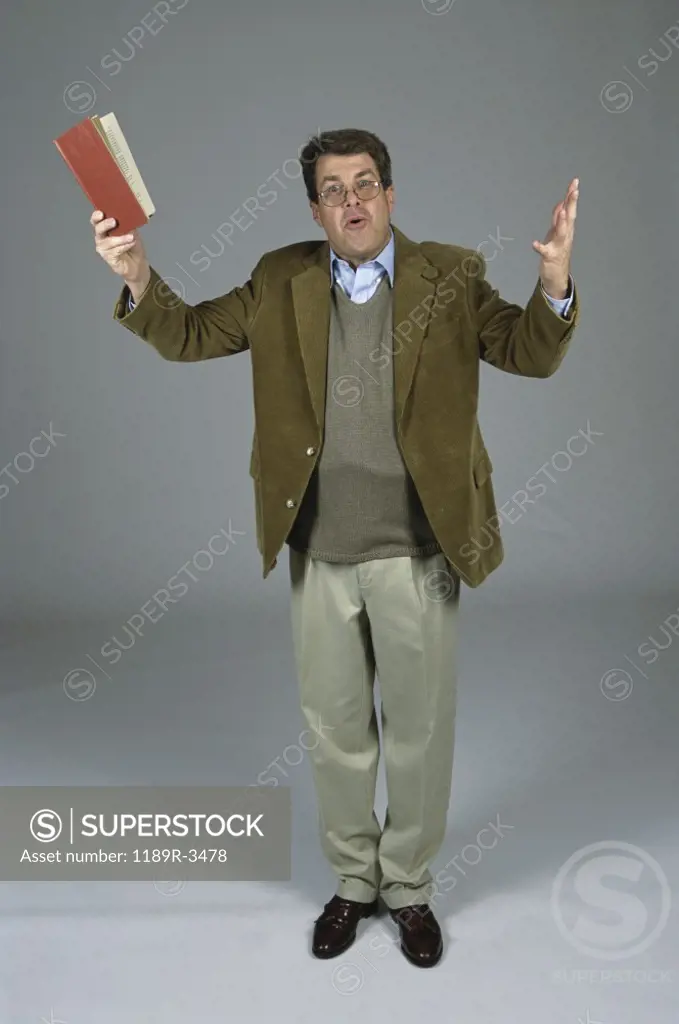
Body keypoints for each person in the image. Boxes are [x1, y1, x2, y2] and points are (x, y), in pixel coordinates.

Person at [91, 128, 579, 968]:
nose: (350, 200)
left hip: (418, 549)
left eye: (364, 184)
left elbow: (527, 352)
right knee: (335, 729)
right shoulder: (280, 278)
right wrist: (137, 274)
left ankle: (411, 889)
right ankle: (355, 884)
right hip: (317, 544)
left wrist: (554, 281)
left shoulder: (451, 275)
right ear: (315, 208)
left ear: (391, 195)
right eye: (332, 188)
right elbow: (194, 334)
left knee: (420, 731)